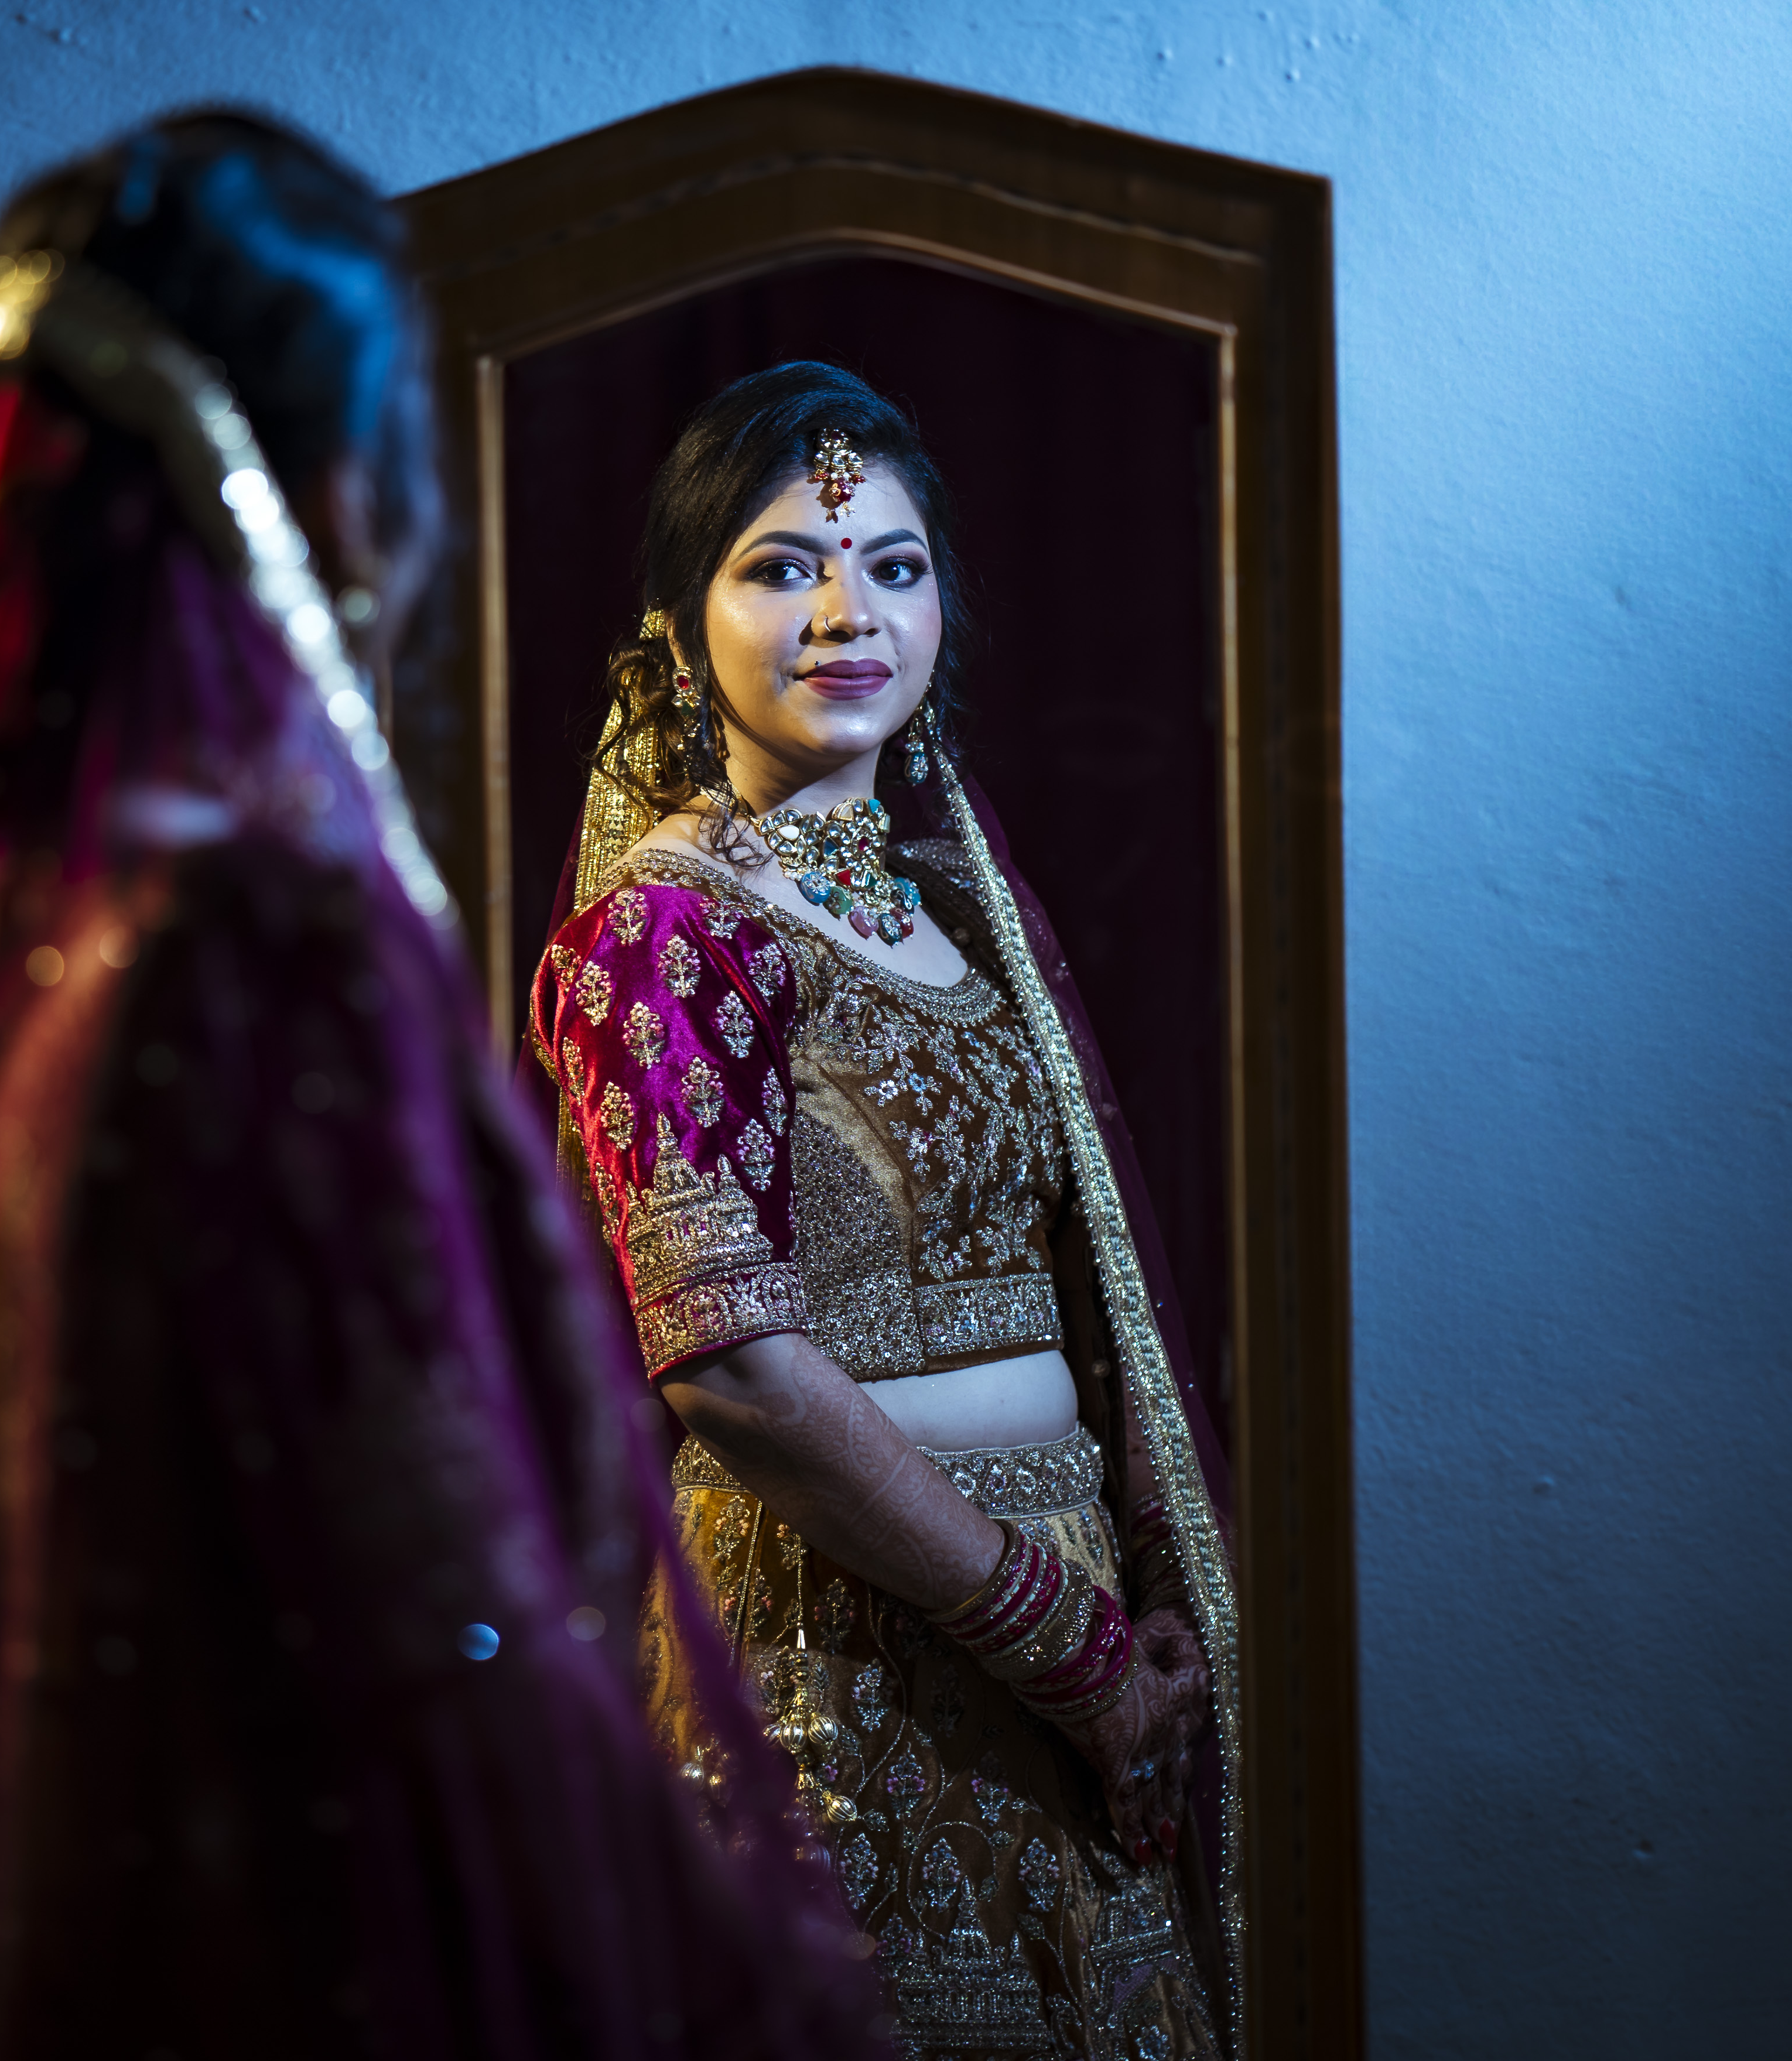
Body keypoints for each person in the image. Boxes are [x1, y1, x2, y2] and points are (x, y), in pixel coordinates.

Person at [0, 119, 878, 2061]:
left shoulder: (18, 943)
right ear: (338, 498)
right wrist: (742, 1981)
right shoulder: (254, 952)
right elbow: (443, 1613)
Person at [532, 362, 1243, 2059]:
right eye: (782, 565)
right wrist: (1052, 1633)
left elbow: (1089, 1299)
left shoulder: (954, 911)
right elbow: (731, 1372)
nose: (850, 609)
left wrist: (1123, 1607)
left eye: (896, 566)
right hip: (825, 1657)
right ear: (678, 627)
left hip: (1066, 1645)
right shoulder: (670, 935)